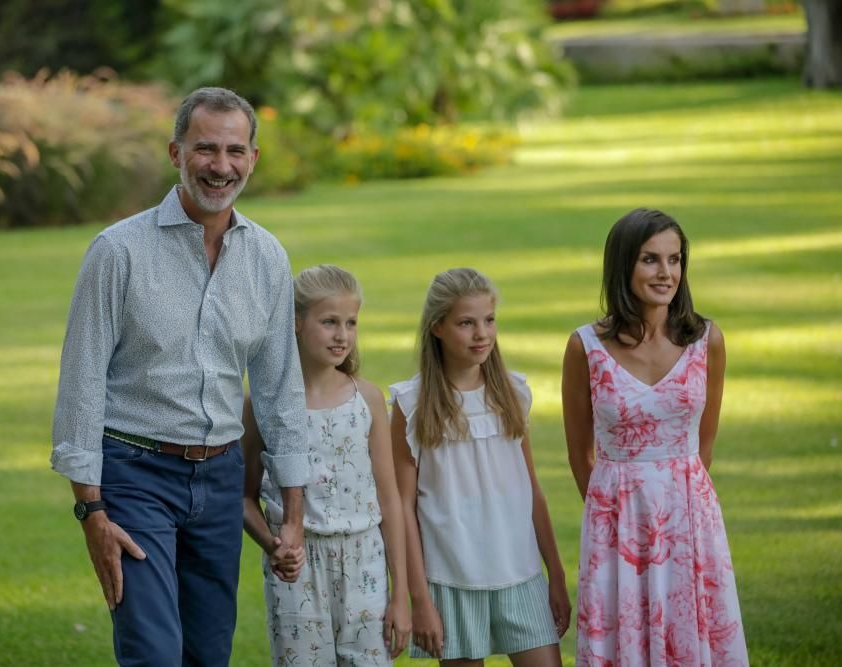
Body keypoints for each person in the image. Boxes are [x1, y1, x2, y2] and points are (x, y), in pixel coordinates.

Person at [50, 87, 308, 667]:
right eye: (205, 149)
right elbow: (82, 382)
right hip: (135, 475)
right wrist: (91, 511)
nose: (221, 166)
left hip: (221, 481)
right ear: (176, 153)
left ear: (253, 158)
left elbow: (279, 389)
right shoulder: (118, 251)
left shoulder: (267, 258)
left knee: (207, 655)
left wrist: (293, 514)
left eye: (235, 151)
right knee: (154, 654)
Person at [562, 208, 749, 665]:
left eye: (675, 259)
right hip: (615, 519)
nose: (666, 272)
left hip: (690, 516)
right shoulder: (585, 347)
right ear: (622, 265)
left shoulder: (707, 340)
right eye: (650, 259)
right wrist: (614, 512)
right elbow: (580, 455)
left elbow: (703, 445)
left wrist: (677, 498)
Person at [391, 268, 570, 667]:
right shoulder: (411, 404)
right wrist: (419, 599)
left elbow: (533, 490)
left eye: (489, 320)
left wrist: (556, 575)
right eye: (466, 323)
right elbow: (402, 507)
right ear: (437, 327)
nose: (481, 334)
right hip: (452, 578)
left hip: (520, 571)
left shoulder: (513, 393)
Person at [242, 264, 412, 666]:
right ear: (296, 322)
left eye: (351, 323)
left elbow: (389, 501)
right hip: (297, 571)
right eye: (329, 322)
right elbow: (242, 497)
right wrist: (274, 546)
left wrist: (400, 596)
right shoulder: (263, 403)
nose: (342, 335)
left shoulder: (367, 399)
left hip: (364, 562)